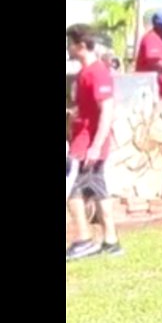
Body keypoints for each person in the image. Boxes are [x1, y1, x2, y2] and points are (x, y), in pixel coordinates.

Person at [65, 24, 122, 260]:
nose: (67, 48)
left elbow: (107, 110)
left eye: (70, 43)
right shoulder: (84, 73)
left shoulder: (98, 72)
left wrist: (96, 145)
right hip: (84, 138)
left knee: (71, 190)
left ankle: (84, 239)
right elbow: (89, 109)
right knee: (98, 189)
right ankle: (111, 241)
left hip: (88, 142)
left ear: (80, 45)